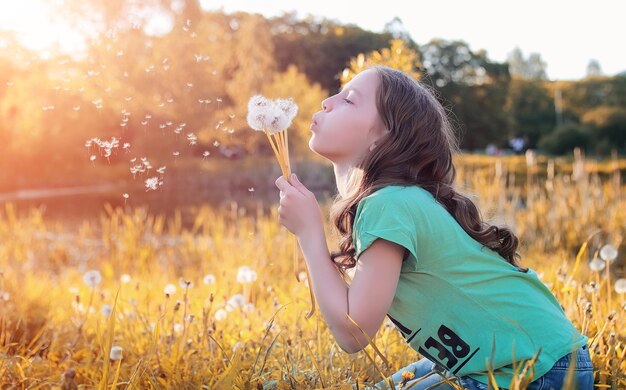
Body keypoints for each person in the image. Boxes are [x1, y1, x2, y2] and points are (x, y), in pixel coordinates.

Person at [273, 65, 593, 389]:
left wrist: (310, 234)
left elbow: (353, 331)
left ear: (383, 135)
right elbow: (352, 313)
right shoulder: (394, 201)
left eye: (349, 100)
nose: (327, 102)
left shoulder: (387, 204)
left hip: (534, 368)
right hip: (538, 356)